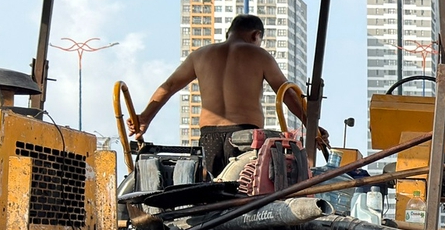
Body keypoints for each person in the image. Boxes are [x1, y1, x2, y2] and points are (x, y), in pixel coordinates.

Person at [132, 14, 316, 176]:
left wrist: (145, 118)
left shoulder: (200, 55)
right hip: (245, 136)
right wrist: (311, 125)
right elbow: (287, 94)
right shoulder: (260, 55)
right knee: (245, 193)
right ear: (256, 35)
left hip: (209, 136)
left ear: (229, 32)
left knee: (209, 194)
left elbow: (169, 86)